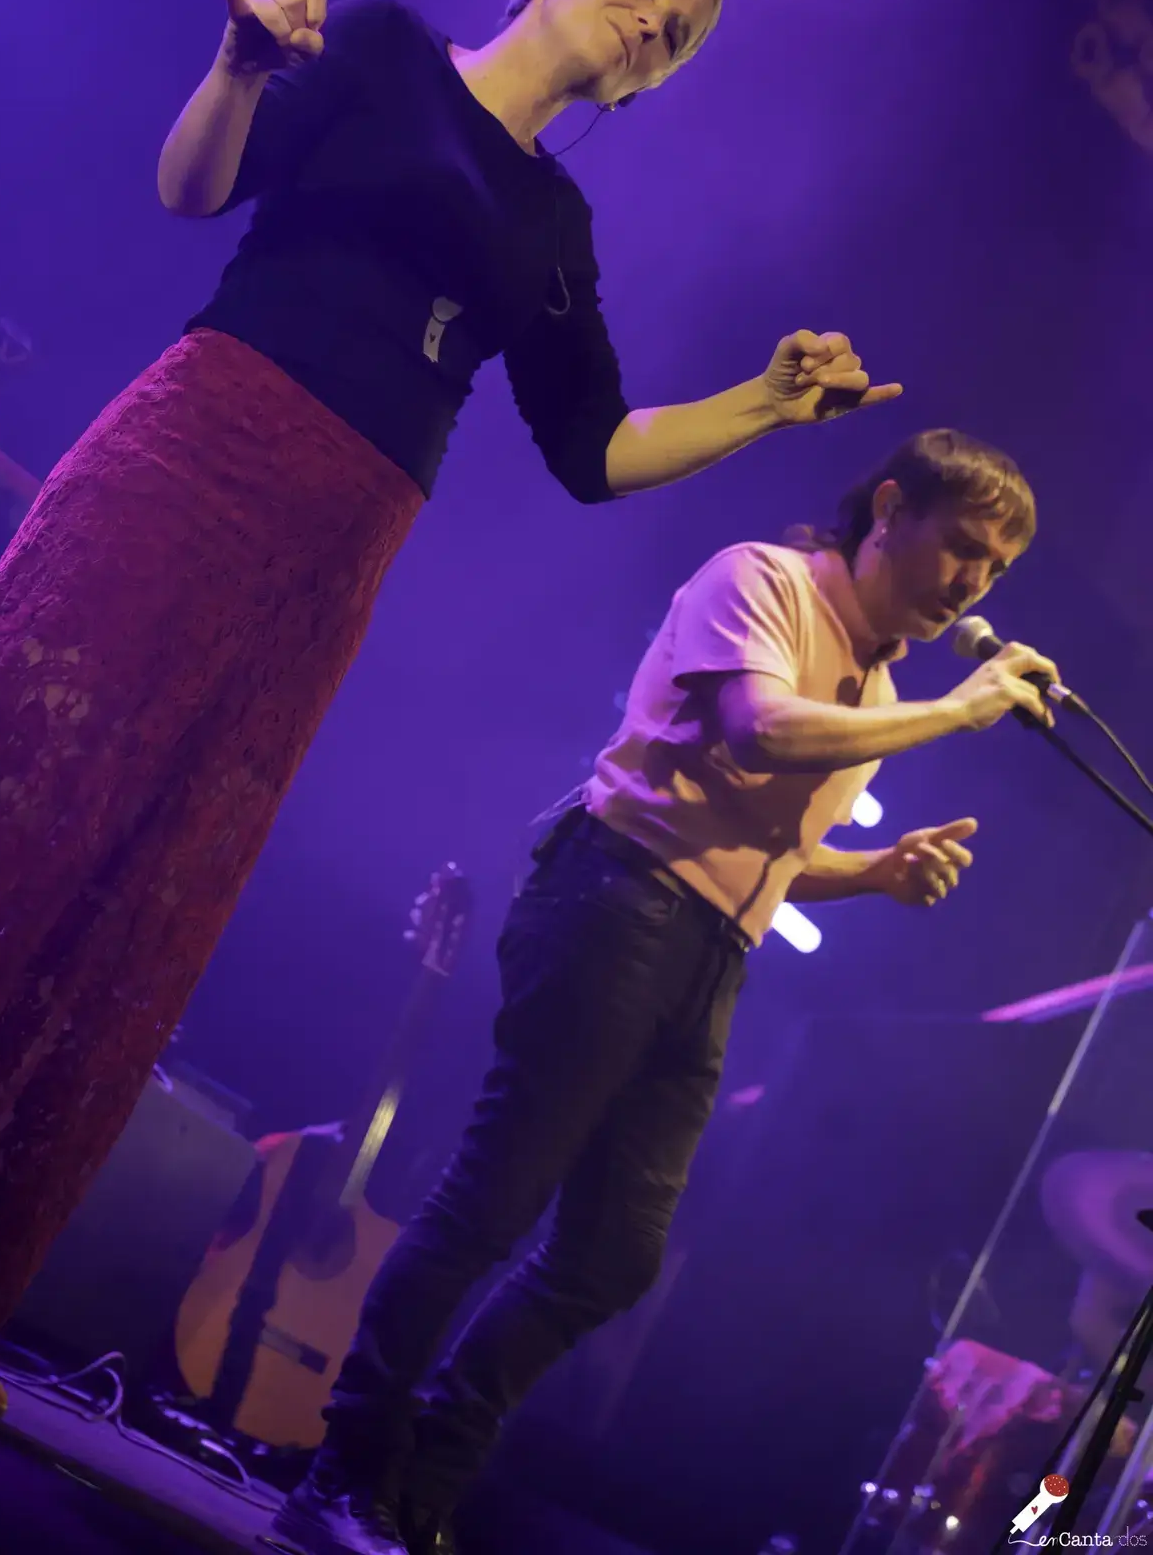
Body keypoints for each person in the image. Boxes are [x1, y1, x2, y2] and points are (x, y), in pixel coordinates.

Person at [0, 0, 895, 1421]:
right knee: (15, 792)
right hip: (199, 450)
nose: (652, 27)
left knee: (148, 868)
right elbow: (193, 188)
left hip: (335, 544)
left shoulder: (555, 227)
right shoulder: (381, 43)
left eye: (675, 35)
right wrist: (236, 68)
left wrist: (765, 404)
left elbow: (596, 453)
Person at [273, 427, 1055, 1555]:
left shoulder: (877, 685)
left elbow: (772, 842)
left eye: (998, 569)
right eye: (964, 547)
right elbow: (759, 728)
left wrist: (874, 873)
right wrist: (959, 711)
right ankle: (341, 1478)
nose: (974, 583)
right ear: (889, 509)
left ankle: (421, 1485)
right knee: (491, 1201)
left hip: (709, 951)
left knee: (613, 1256)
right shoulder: (763, 581)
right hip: (616, 897)